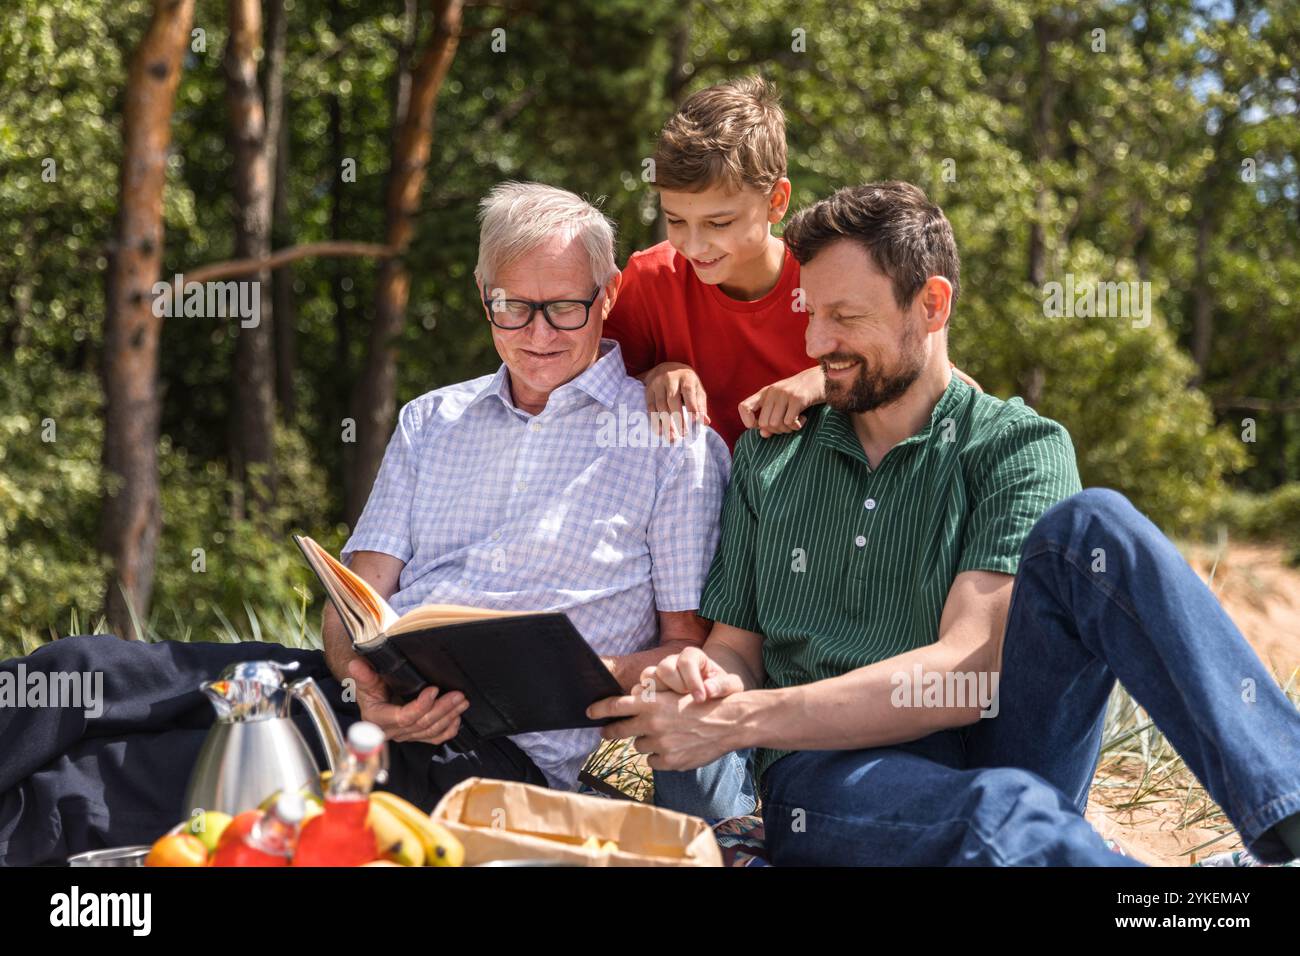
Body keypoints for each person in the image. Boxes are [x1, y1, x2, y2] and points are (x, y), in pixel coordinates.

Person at [0, 182, 729, 865]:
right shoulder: (433, 420)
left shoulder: (674, 442)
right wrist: (361, 680)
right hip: (368, 694)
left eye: (564, 308)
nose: (537, 333)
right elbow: (357, 596)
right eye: (512, 306)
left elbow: (682, 648)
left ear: (610, 295)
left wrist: (547, 673)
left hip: (495, 758)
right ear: (483, 296)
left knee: (95, 784)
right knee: (81, 671)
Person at [591, 180, 1300, 866]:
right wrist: (702, 682)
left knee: (1096, 526)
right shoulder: (770, 460)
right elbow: (737, 651)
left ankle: (1289, 817)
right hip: (830, 776)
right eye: (809, 313)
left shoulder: (1017, 446)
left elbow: (970, 669)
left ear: (931, 304)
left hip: (1004, 750)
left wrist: (745, 719)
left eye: (846, 317)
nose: (813, 343)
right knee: (1002, 815)